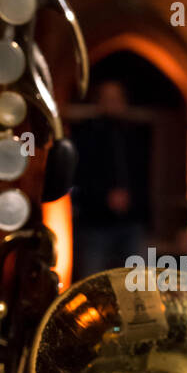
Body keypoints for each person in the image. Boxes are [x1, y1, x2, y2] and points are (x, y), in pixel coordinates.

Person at [70, 79, 152, 279]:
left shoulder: (135, 136)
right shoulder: (85, 135)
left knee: (136, 286)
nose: (113, 103)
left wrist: (136, 203)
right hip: (95, 224)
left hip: (130, 221)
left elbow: (142, 176)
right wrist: (102, 197)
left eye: (116, 98)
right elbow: (78, 177)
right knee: (93, 282)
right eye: (107, 98)